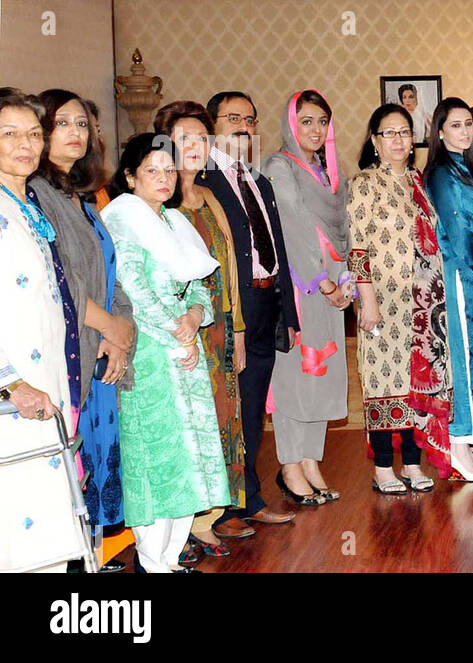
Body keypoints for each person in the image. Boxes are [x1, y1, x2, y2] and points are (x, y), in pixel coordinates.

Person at [101, 133, 229, 573]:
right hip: (151, 355)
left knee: (188, 454)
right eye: (151, 171)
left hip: (183, 349)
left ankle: (171, 559)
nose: (163, 179)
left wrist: (194, 319)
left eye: (169, 170)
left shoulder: (175, 222)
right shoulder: (122, 220)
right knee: (157, 457)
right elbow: (132, 291)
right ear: (131, 177)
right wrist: (178, 334)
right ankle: (152, 560)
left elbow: (197, 284)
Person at [31, 89, 135, 533]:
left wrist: (124, 327)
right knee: (74, 464)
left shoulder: (86, 197)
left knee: (101, 456)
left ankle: (99, 547)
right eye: (61, 124)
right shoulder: (34, 194)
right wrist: (109, 327)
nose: (75, 132)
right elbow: (61, 279)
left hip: (103, 348)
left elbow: (112, 272)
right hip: (74, 347)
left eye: (82, 124)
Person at [198, 91, 298, 538]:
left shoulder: (260, 180)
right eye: (232, 118)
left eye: (250, 119)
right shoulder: (200, 180)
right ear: (212, 124)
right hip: (227, 313)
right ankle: (220, 511)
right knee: (227, 411)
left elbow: (279, 252)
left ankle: (249, 498)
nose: (243, 126)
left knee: (254, 409)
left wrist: (288, 314)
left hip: (265, 306)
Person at [154, 100, 246, 558]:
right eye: (185, 138)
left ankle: (207, 517)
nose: (195, 146)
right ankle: (179, 526)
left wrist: (240, 331)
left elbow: (228, 270)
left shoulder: (209, 198)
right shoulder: (155, 203)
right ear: (165, 143)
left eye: (202, 138)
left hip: (220, 329)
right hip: (178, 331)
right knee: (188, 424)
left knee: (220, 420)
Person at [0, 93, 88, 573]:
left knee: (50, 527)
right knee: (18, 527)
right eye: (9, 133)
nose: (26, 144)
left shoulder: (27, 203)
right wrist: (10, 382)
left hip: (50, 382)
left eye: (33, 133)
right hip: (14, 397)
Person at [351, 104, 458, 492]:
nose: (398, 139)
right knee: (383, 381)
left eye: (404, 132)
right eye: (389, 133)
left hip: (424, 303)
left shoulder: (418, 182)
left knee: (416, 382)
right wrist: (368, 300)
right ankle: (383, 468)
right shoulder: (364, 184)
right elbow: (357, 248)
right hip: (385, 300)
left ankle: (413, 464)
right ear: (375, 141)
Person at [262, 89, 350, 505]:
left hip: (332, 285)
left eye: (321, 122)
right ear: (290, 124)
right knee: (296, 375)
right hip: (301, 287)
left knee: (322, 372)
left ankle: (312, 460)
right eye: (307, 121)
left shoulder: (328, 172)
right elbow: (294, 228)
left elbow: (342, 227)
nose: (315, 130)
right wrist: (323, 282)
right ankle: (289, 465)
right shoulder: (280, 166)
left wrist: (344, 279)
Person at [423, 97, 473, 480]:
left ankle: (466, 445)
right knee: (462, 362)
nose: (466, 131)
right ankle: (456, 444)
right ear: (439, 131)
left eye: (469, 124)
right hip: (459, 275)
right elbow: (459, 234)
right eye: (456, 125)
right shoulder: (442, 174)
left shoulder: (465, 169)